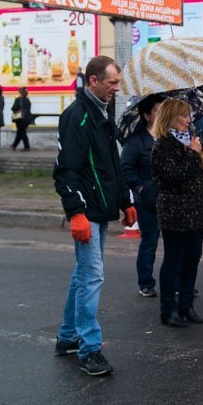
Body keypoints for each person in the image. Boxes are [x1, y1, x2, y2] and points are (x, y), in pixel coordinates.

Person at [53, 55, 136, 376]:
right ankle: (90, 349)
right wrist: (76, 212)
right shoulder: (77, 116)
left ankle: (67, 337)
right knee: (91, 276)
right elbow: (66, 171)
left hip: (100, 208)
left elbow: (113, 164)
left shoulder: (102, 112)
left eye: (118, 83)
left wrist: (126, 201)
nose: (116, 88)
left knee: (83, 273)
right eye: (112, 83)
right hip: (87, 211)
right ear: (93, 80)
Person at [150, 98, 203, 328]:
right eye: (184, 115)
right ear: (170, 118)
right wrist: (193, 154)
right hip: (176, 213)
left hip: (195, 212)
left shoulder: (189, 141)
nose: (188, 120)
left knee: (192, 259)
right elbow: (173, 177)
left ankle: (186, 305)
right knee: (174, 260)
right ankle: (168, 310)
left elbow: (195, 174)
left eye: (188, 115)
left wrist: (195, 152)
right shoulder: (162, 145)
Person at [121, 95, 163, 297]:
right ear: (147, 115)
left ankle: (177, 283)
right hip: (147, 200)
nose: (162, 114)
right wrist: (141, 189)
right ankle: (146, 282)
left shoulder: (170, 137)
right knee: (150, 241)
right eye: (157, 111)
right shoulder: (135, 141)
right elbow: (126, 169)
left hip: (170, 199)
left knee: (176, 244)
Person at [10, 86, 33, 150]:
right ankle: (14, 145)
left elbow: (13, 108)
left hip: (20, 118)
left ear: (20, 93)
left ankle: (26, 146)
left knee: (22, 132)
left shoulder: (18, 99)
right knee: (20, 132)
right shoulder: (28, 100)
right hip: (27, 118)